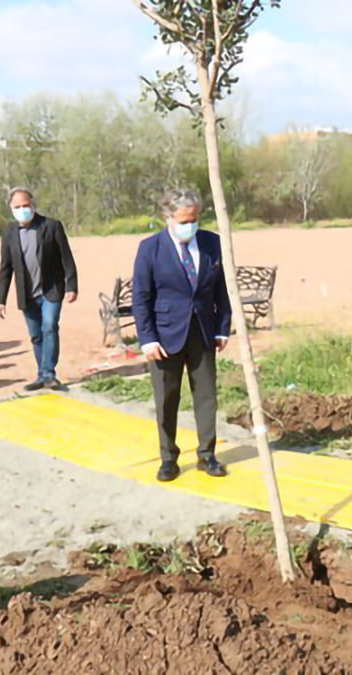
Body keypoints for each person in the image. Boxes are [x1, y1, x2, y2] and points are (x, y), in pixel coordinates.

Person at [132, 188, 231, 483]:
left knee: (206, 396)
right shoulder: (150, 248)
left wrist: (223, 327)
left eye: (194, 219)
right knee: (167, 399)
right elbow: (141, 296)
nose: (190, 225)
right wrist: (147, 338)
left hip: (203, 332)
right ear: (168, 217)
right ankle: (168, 458)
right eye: (184, 220)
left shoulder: (212, 243)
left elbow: (222, 290)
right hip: (165, 337)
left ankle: (207, 454)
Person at [0, 187, 79, 391]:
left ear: (33, 205)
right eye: (18, 207)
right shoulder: (9, 232)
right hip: (27, 293)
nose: (23, 209)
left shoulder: (51, 226)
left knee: (49, 327)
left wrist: (72, 286)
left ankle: (50, 374)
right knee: (36, 335)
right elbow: (5, 267)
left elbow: (66, 258)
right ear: (11, 209)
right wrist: (0, 299)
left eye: (26, 205)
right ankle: (41, 375)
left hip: (51, 290)